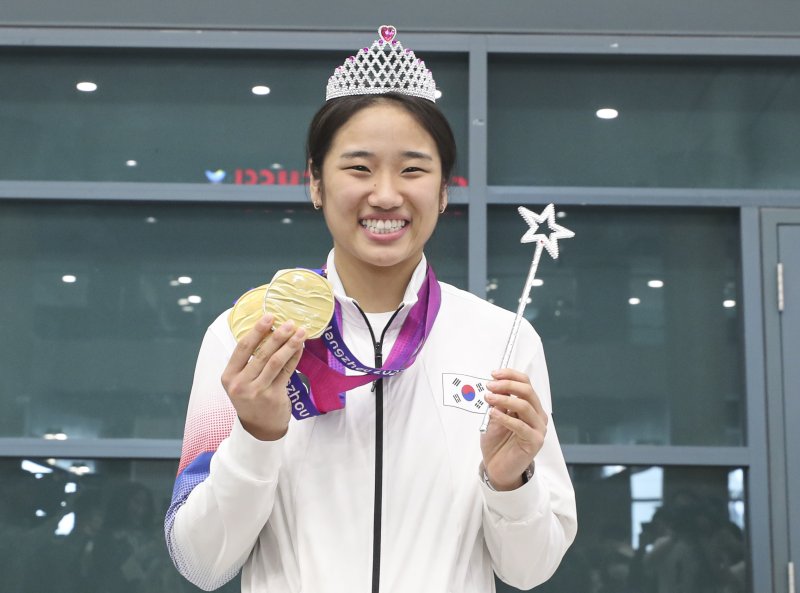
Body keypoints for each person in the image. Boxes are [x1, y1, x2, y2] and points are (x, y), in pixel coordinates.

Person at [165, 26, 577, 593]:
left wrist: (511, 482)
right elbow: (200, 564)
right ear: (315, 182)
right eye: (358, 168)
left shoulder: (502, 341)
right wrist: (257, 436)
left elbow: (530, 570)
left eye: (412, 169)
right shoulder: (247, 336)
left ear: (443, 191)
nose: (385, 195)